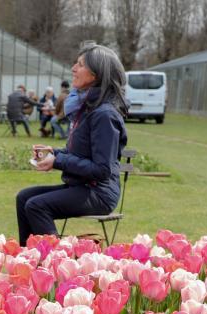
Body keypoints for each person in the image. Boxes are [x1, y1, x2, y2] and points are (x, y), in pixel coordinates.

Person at [15, 44, 128, 246]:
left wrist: (58, 160)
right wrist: (53, 153)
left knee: (36, 206)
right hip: (82, 186)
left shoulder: (104, 115)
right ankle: (29, 258)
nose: (73, 68)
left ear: (95, 74)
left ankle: (58, 261)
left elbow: (102, 170)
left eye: (80, 64)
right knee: (24, 198)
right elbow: (78, 153)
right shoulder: (87, 109)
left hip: (99, 192)